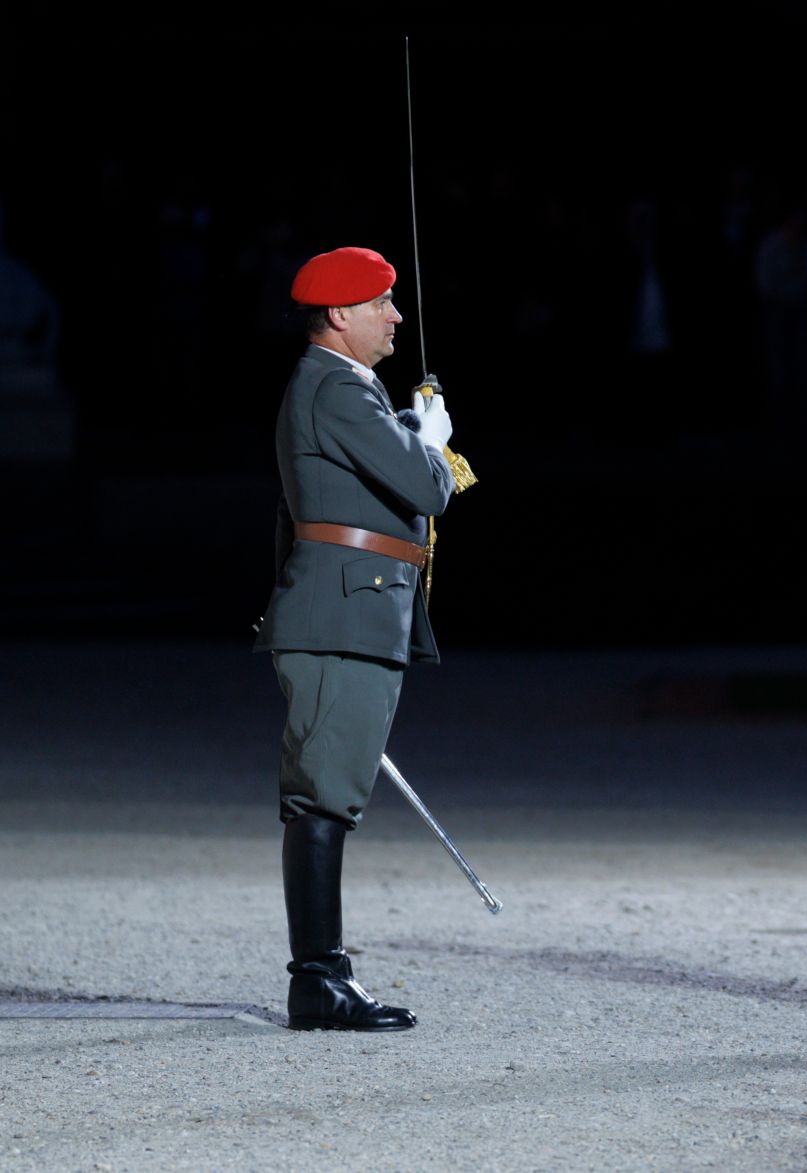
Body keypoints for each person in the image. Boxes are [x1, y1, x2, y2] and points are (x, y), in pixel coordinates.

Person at [253, 246, 456, 1032]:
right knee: (323, 797)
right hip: (344, 612)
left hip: (355, 608)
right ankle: (319, 981)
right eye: (382, 302)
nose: (396, 316)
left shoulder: (346, 389)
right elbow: (429, 486)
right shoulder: (334, 387)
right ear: (341, 314)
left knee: (331, 793)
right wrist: (429, 440)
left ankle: (327, 973)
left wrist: (407, 425)